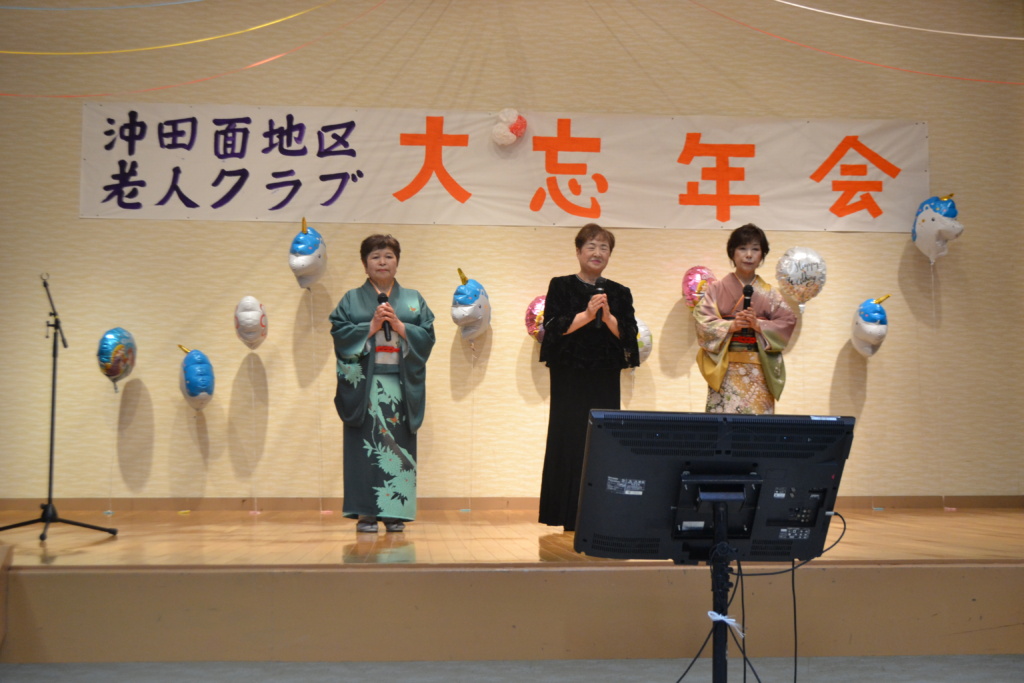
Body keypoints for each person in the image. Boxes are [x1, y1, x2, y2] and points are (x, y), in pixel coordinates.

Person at [329, 234, 435, 533]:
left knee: (397, 449)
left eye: (388, 256)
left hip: (400, 387)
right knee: (365, 450)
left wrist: (400, 327)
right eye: (375, 257)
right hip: (365, 387)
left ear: (397, 262)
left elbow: (427, 337)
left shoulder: (413, 299)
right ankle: (366, 512)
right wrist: (371, 326)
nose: (382, 262)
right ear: (365, 264)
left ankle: (394, 512)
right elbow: (339, 335)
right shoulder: (351, 299)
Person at [538, 223, 639, 531]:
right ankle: (565, 513)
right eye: (591, 247)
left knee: (602, 439)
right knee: (568, 436)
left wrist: (607, 317)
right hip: (569, 373)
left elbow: (629, 335)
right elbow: (552, 328)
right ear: (578, 251)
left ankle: (600, 513)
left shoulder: (619, 292)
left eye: (604, 248)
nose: (597, 253)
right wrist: (585, 315)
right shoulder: (561, 285)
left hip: (604, 374)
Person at [693, 223, 797, 414]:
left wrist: (759, 325)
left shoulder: (770, 293)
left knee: (756, 426)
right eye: (742, 248)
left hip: (759, 370)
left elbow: (788, 321)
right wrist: (730, 326)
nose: (749, 255)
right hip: (725, 370)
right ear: (732, 253)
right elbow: (702, 320)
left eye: (755, 249)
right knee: (724, 423)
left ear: (762, 255)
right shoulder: (716, 289)